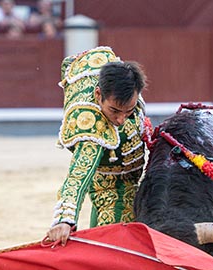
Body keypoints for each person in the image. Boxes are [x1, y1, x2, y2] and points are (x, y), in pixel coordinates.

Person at [46, 47, 148, 245]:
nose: (120, 119)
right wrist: (64, 219)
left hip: (130, 180)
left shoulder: (114, 74)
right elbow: (78, 174)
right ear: (98, 94)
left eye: (128, 111)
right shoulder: (91, 124)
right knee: (114, 247)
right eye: (114, 111)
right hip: (111, 188)